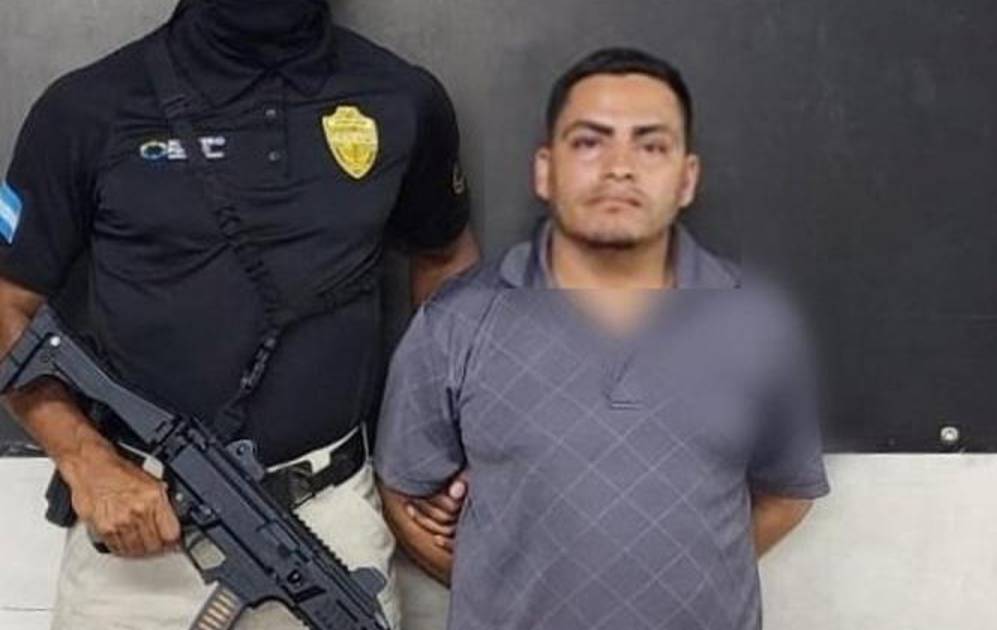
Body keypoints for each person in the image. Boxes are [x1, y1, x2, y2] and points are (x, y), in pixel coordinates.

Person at [0, 0, 477, 627]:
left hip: (330, 528)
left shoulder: (402, 98)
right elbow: (6, 302)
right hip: (134, 537)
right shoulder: (86, 108)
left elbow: (447, 263)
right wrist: (85, 459)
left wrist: (432, 451)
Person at [375, 47, 829, 630]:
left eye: (651, 146)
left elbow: (787, 494)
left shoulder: (758, 324)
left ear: (687, 178)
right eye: (590, 142)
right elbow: (404, 498)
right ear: (545, 170)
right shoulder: (458, 319)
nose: (620, 167)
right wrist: (505, 589)